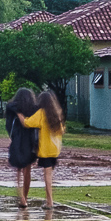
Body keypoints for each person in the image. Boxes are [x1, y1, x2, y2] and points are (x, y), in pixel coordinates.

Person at [17, 82, 66, 214]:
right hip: (55, 150)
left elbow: (27, 123)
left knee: (47, 177)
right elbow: (61, 130)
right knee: (49, 176)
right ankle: (49, 201)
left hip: (45, 151)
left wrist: (19, 114)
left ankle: (50, 202)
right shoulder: (56, 114)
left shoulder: (41, 113)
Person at [4, 86, 39, 210]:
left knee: (18, 170)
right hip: (30, 142)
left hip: (18, 141)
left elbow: (8, 125)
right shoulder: (34, 109)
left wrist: (12, 136)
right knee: (27, 170)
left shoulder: (12, 108)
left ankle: (21, 197)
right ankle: (25, 196)